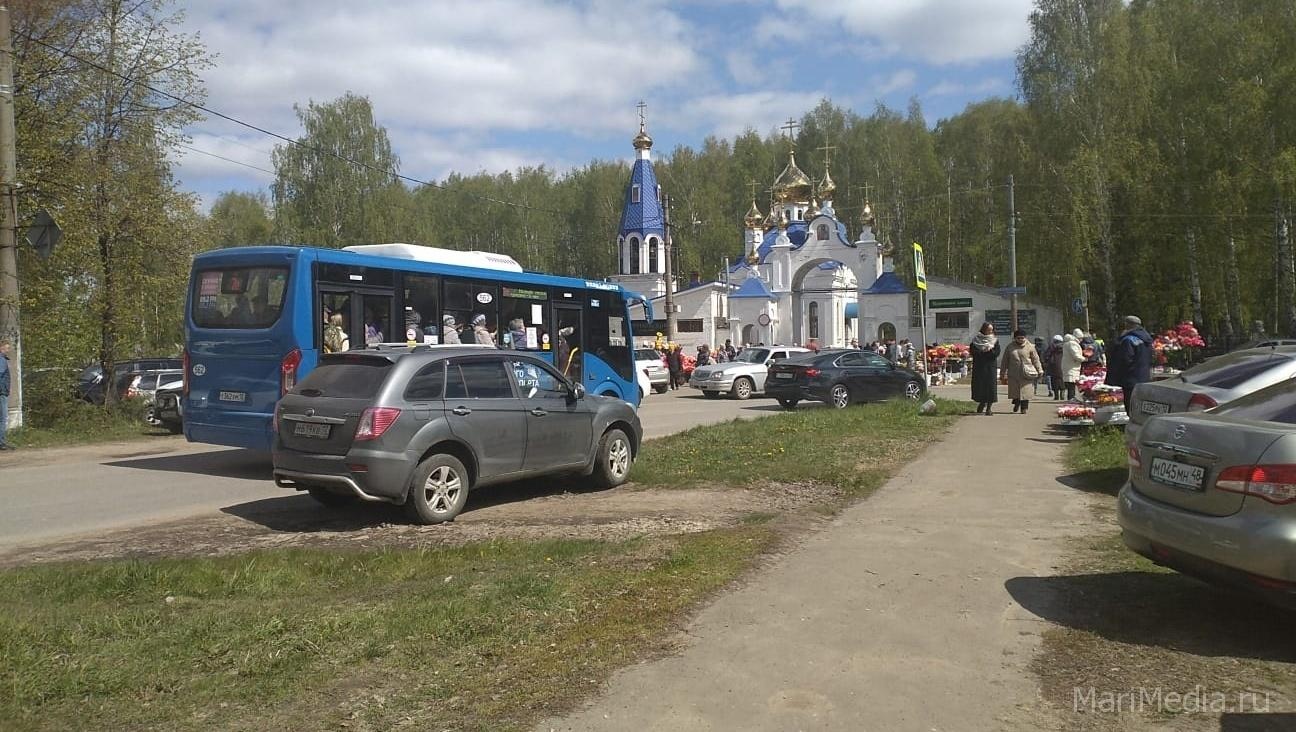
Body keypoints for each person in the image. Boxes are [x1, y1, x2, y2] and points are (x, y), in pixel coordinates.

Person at [1105, 315, 1154, 413]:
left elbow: (1124, 359)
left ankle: (1132, 425)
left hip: (1130, 378)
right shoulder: (1146, 339)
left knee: (1130, 405)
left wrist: (1115, 375)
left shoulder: (1128, 340)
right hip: (1144, 377)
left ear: (1129, 325)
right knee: (1140, 405)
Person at [1000, 329, 1044, 414]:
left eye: (1022, 338)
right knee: (1015, 392)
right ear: (1015, 338)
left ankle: (1024, 408)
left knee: (1025, 392)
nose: (1021, 340)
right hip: (1014, 373)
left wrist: (1040, 370)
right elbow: (1004, 361)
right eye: (1018, 338)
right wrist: (1003, 373)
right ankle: (1016, 403)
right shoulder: (1010, 347)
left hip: (1026, 373)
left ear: (1025, 338)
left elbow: (1036, 360)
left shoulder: (1030, 346)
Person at [969, 323, 1000, 415]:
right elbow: (973, 351)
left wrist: (989, 351)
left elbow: (996, 352)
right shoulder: (976, 340)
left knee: (990, 387)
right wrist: (982, 352)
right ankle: (982, 403)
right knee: (980, 386)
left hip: (990, 367)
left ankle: (989, 408)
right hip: (979, 367)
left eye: (991, 330)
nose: (990, 331)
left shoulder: (994, 340)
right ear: (983, 329)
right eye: (988, 329)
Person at [1060, 332, 1084, 401]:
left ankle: (1071, 397)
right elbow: (1076, 355)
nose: (1081, 340)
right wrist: (1084, 359)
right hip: (1072, 366)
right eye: (1081, 338)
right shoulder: (1072, 344)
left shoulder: (1068, 343)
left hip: (1069, 365)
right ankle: (1071, 397)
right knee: (1071, 383)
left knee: (1071, 383)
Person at [0, 339, 12, 450]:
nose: (8, 350)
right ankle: (1, 442)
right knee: (3, 418)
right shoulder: (2, 360)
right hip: (1, 392)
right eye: (7, 348)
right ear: (1, 348)